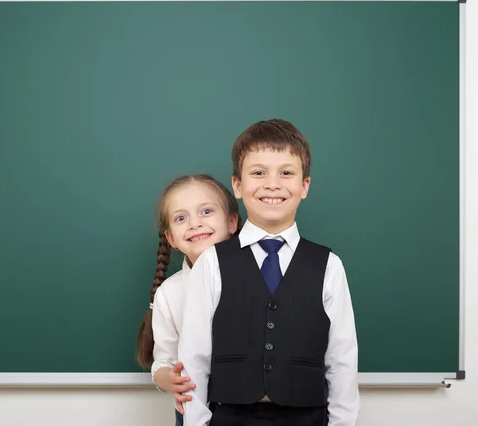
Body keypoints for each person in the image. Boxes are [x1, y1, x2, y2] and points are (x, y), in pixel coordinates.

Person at [178, 119, 360, 426]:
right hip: (228, 417)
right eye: (258, 172)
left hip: (308, 418)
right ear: (237, 185)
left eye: (286, 173)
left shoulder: (328, 265)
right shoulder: (211, 263)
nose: (272, 184)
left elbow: (342, 361)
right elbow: (194, 358)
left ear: (304, 186)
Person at [136, 174, 242, 426]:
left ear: (232, 222)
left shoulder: (259, 278)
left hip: (251, 408)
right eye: (181, 218)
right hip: (195, 409)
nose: (195, 223)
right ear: (171, 238)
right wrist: (169, 379)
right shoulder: (170, 293)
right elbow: (163, 360)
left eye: (206, 211)